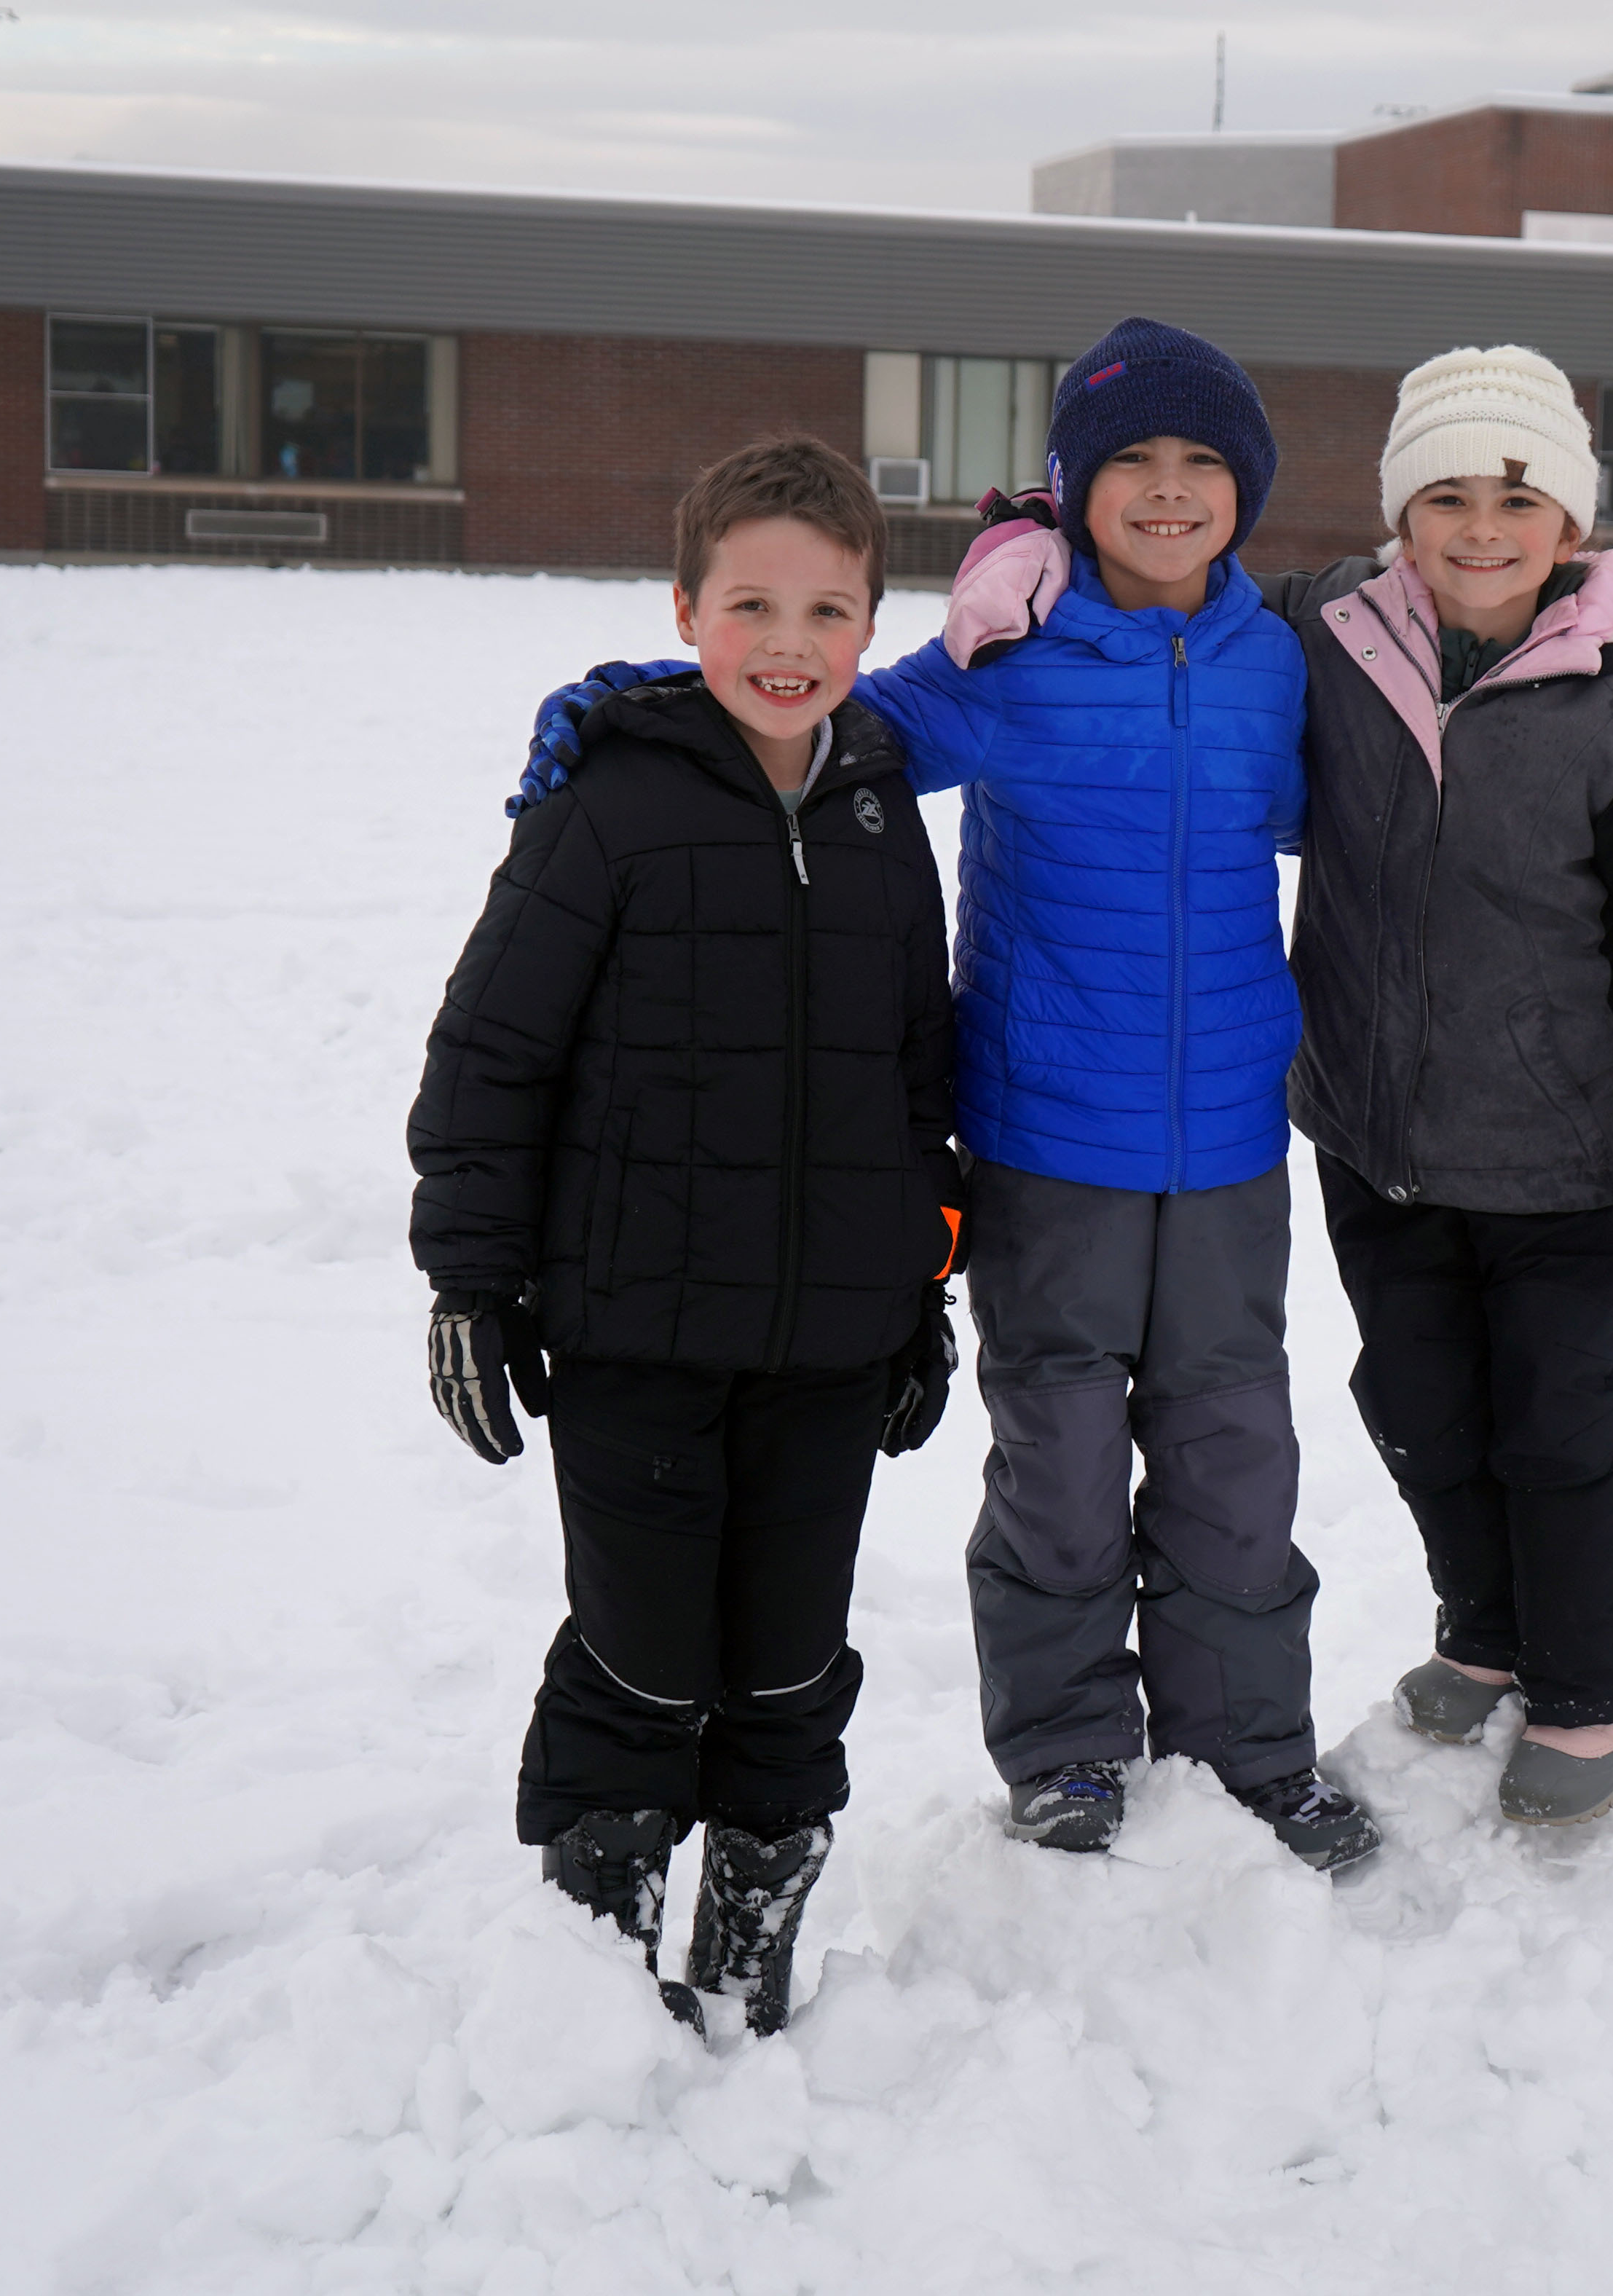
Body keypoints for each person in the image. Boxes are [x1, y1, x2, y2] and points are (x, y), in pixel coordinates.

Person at [510, 320, 1377, 1876]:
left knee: (1237, 1457)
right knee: (1054, 1462)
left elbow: (1388, 790)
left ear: (1246, 489)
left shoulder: (1276, 661)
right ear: (1072, 490)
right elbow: (817, 706)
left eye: (1202, 464)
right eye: (1131, 463)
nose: (1169, 492)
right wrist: (645, 707)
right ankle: (1063, 1747)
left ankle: (1250, 1747)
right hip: (1048, 1135)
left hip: (1237, 1143)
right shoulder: (1009, 652)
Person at [406, 436, 961, 2037]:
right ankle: (598, 1934)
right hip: (637, 1327)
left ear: (872, 624)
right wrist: (469, 1268)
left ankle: (751, 1924)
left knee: (790, 1661)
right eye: (753, 604)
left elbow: (914, 1072)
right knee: (647, 1654)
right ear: (686, 607)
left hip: (830, 1347)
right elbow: (490, 1046)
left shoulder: (874, 808)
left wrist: (920, 1282)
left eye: (829, 609)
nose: (788, 644)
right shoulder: (611, 800)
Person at [1267, 348, 1613, 1827]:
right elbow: (1170, 581)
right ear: (1400, 515)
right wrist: (1042, 533)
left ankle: (1599, 1679)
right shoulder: (1331, 647)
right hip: (1377, 1135)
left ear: (1571, 524)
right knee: (1418, 1403)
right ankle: (1488, 1628)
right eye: (1446, 497)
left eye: (1517, 499)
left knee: (1559, 1421)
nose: (1481, 530)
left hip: (1562, 1153)